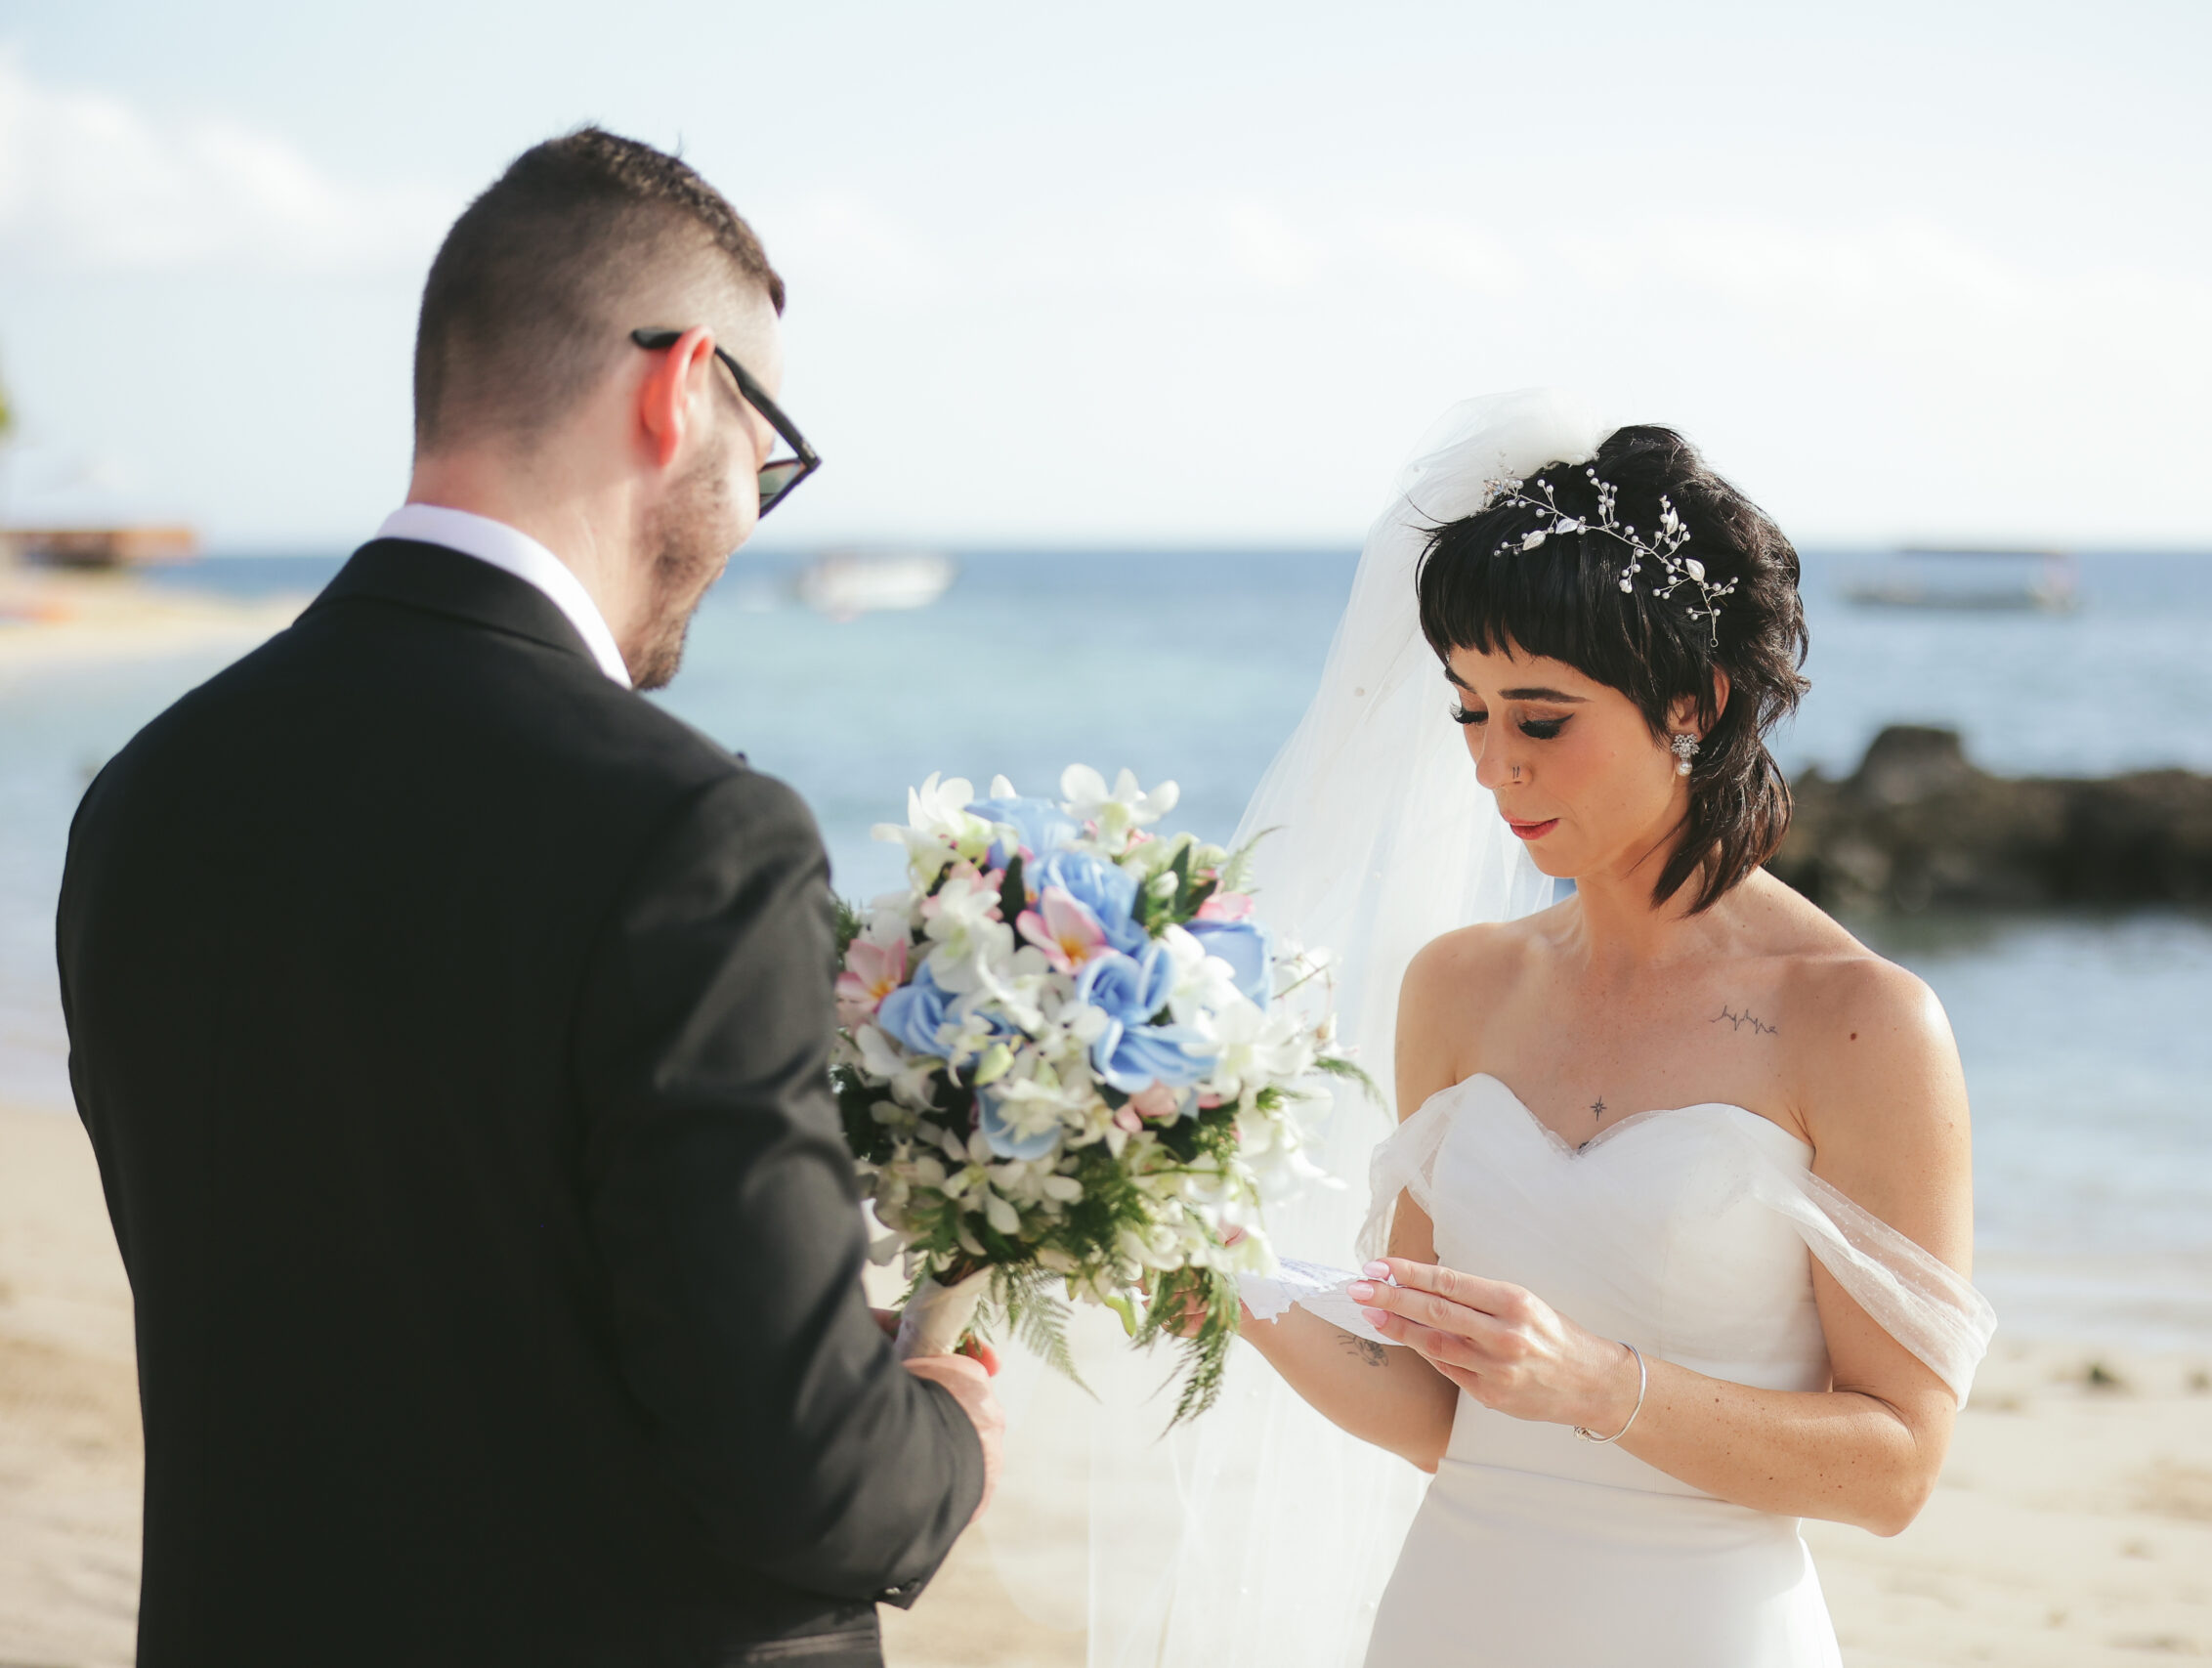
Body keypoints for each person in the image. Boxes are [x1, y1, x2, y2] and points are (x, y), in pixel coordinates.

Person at [55, 128, 1001, 1668]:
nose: (759, 514)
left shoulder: (145, 796)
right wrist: (940, 1435)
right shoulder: (694, 833)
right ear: (682, 386)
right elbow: (806, 1480)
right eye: (771, 458)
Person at [1192, 394, 1994, 1666]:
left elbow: (1893, 1467)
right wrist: (1212, 1267)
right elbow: (1433, 1406)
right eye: (1468, 709)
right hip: (1449, 1623)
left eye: (1542, 720)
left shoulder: (1858, 1022)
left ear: (1693, 701)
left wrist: (1600, 1386)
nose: (1492, 765)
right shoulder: (1456, 989)